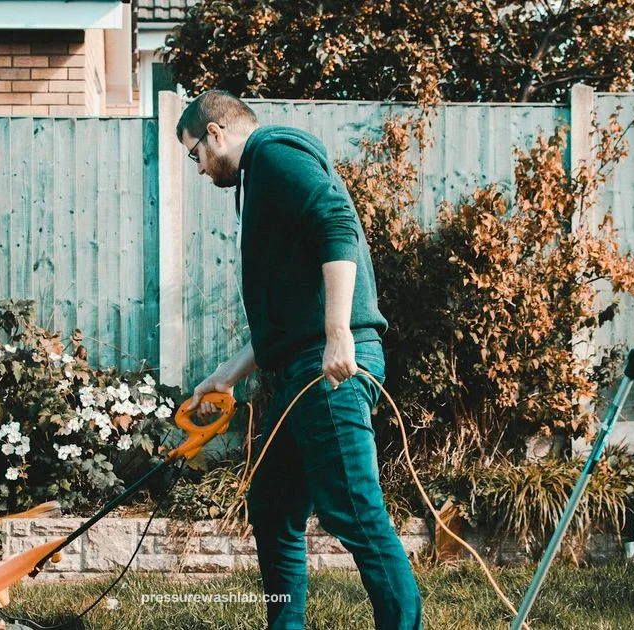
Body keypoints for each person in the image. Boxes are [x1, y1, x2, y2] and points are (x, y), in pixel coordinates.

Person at [178, 90, 423, 630]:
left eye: (193, 153)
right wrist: (226, 375)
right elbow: (286, 321)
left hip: (325, 368)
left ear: (215, 133)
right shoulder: (260, 178)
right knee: (274, 508)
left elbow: (337, 224)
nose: (197, 169)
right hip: (301, 367)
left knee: (356, 515)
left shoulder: (275, 152)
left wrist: (338, 333)